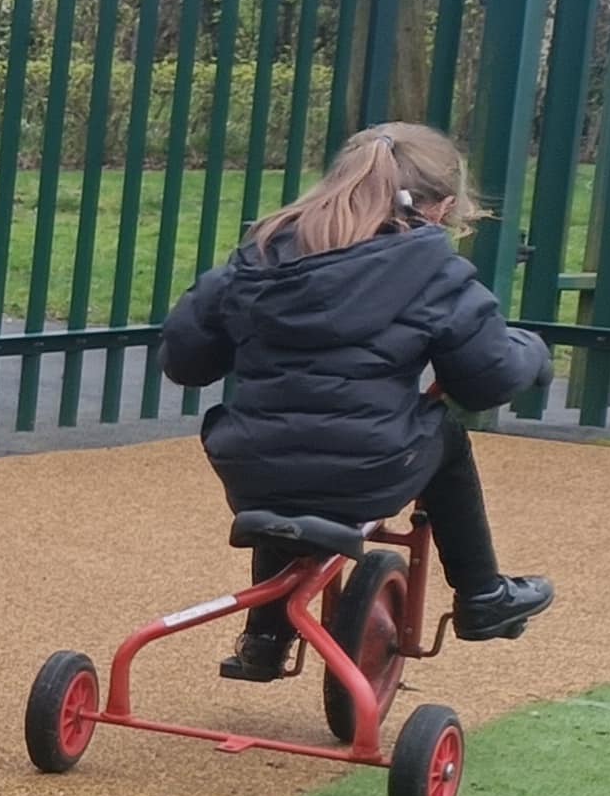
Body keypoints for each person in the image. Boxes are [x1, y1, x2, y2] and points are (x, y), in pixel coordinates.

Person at [155, 121, 554, 679]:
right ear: (438, 209)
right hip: (370, 470)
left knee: (288, 437)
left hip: (251, 470)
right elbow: (485, 380)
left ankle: (265, 636)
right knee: (441, 433)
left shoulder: (259, 255)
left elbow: (185, 361)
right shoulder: (434, 271)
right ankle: (482, 594)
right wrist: (532, 352)